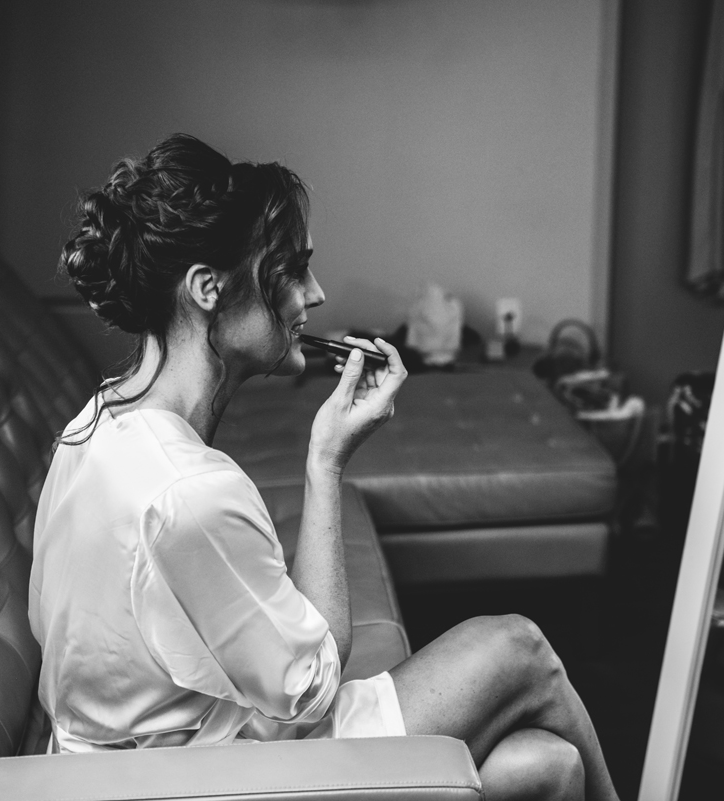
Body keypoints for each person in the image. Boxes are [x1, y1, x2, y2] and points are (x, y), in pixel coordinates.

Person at [30, 133, 618, 801]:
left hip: (156, 760)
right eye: (290, 268)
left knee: (549, 766)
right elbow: (313, 685)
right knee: (521, 648)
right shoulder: (188, 491)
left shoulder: (93, 424)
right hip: (202, 782)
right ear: (207, 290)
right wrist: (327, 457)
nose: (314, 293)